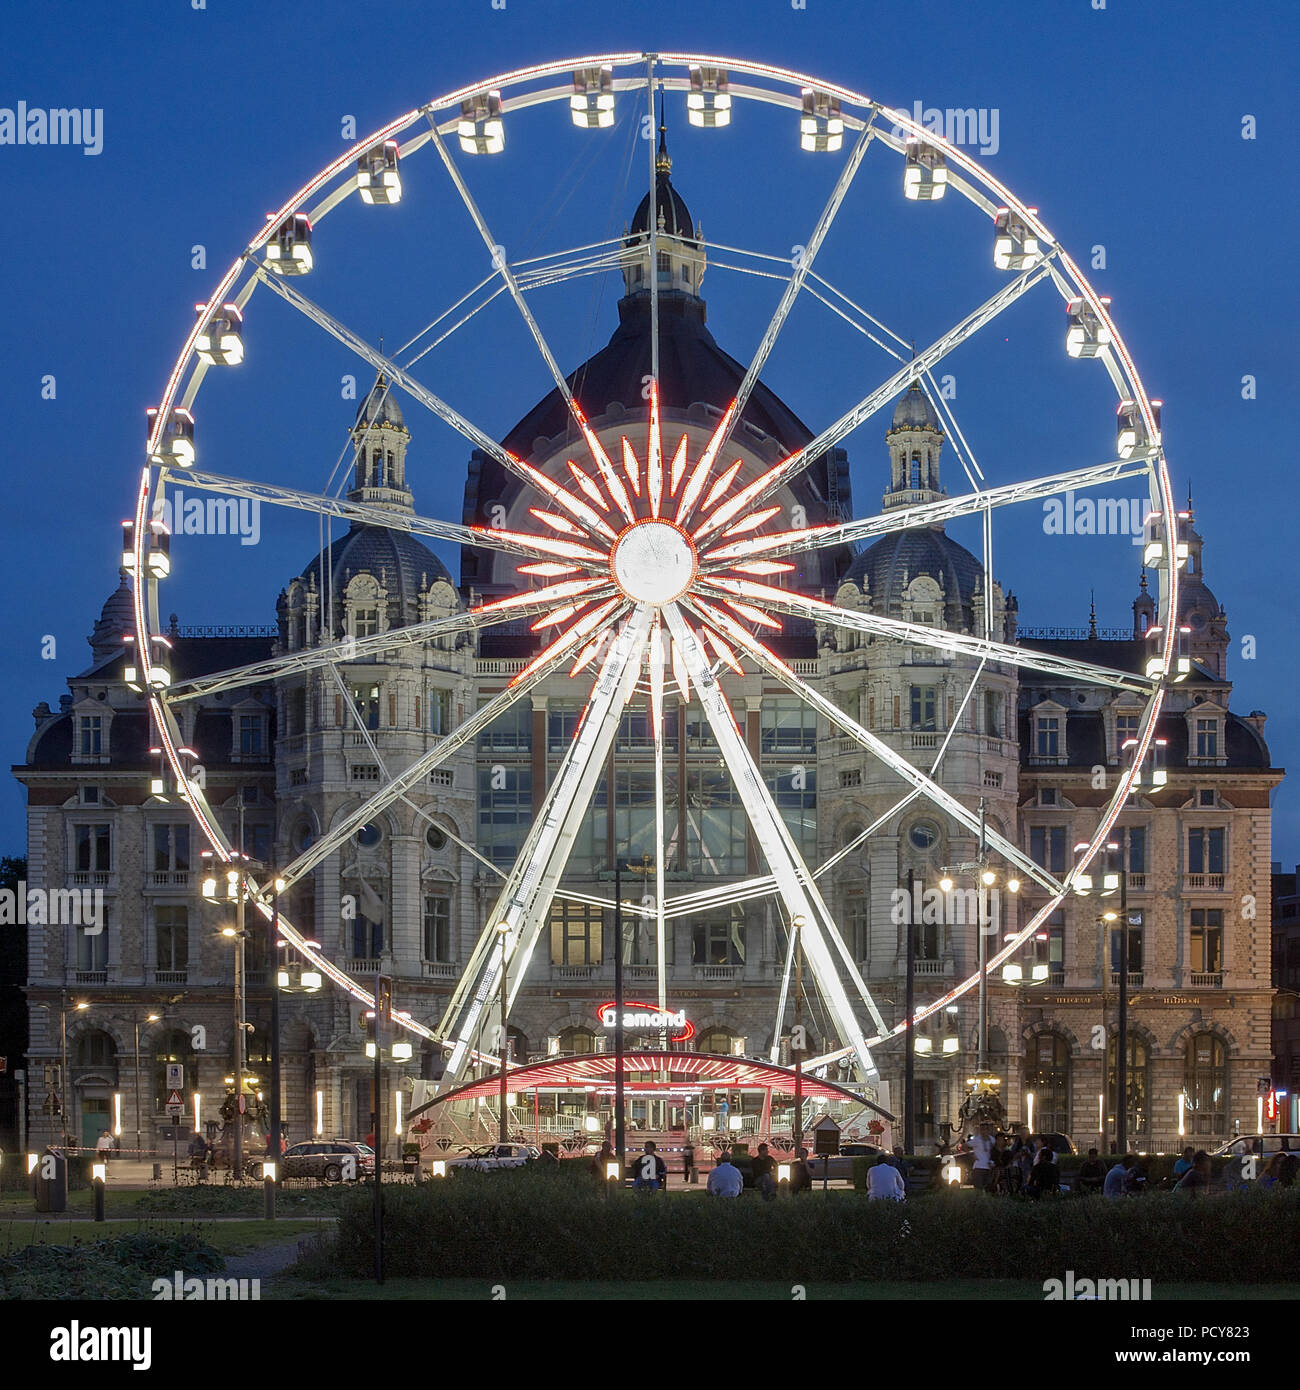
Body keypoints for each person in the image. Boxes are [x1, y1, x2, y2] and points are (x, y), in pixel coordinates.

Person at [969, 1124, 995, 1192]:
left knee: (988, 1188)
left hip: (989, 1167)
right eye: (982, 1130)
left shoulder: (992, 1140)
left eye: (986, 1129)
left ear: (988, 1130)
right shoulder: (977, 1140)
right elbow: (964, 1146)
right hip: (979, 1167)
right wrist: (972, 1155)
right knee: (978, 1189)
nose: (984, 1131)